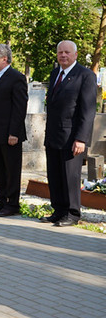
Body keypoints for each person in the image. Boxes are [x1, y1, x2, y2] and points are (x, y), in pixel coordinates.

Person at [42, 40, 97, 227]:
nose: (63, 55)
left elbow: (88, 110)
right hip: (53, 136)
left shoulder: (85, 75)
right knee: (55, 175)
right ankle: (58, 210)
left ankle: (72, 213)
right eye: (60, 53)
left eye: (67, 52)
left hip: (72, 137)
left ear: (75, 55)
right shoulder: (55, 73)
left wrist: (81, 138)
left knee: (70, 177)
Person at [0, 44, 28, 217]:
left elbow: (19, 107)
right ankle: (0, 201)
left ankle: (12, 204)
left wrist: (14, 133)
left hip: (10, 134)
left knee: (11, 170)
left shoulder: (16, 78)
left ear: (4, 59)